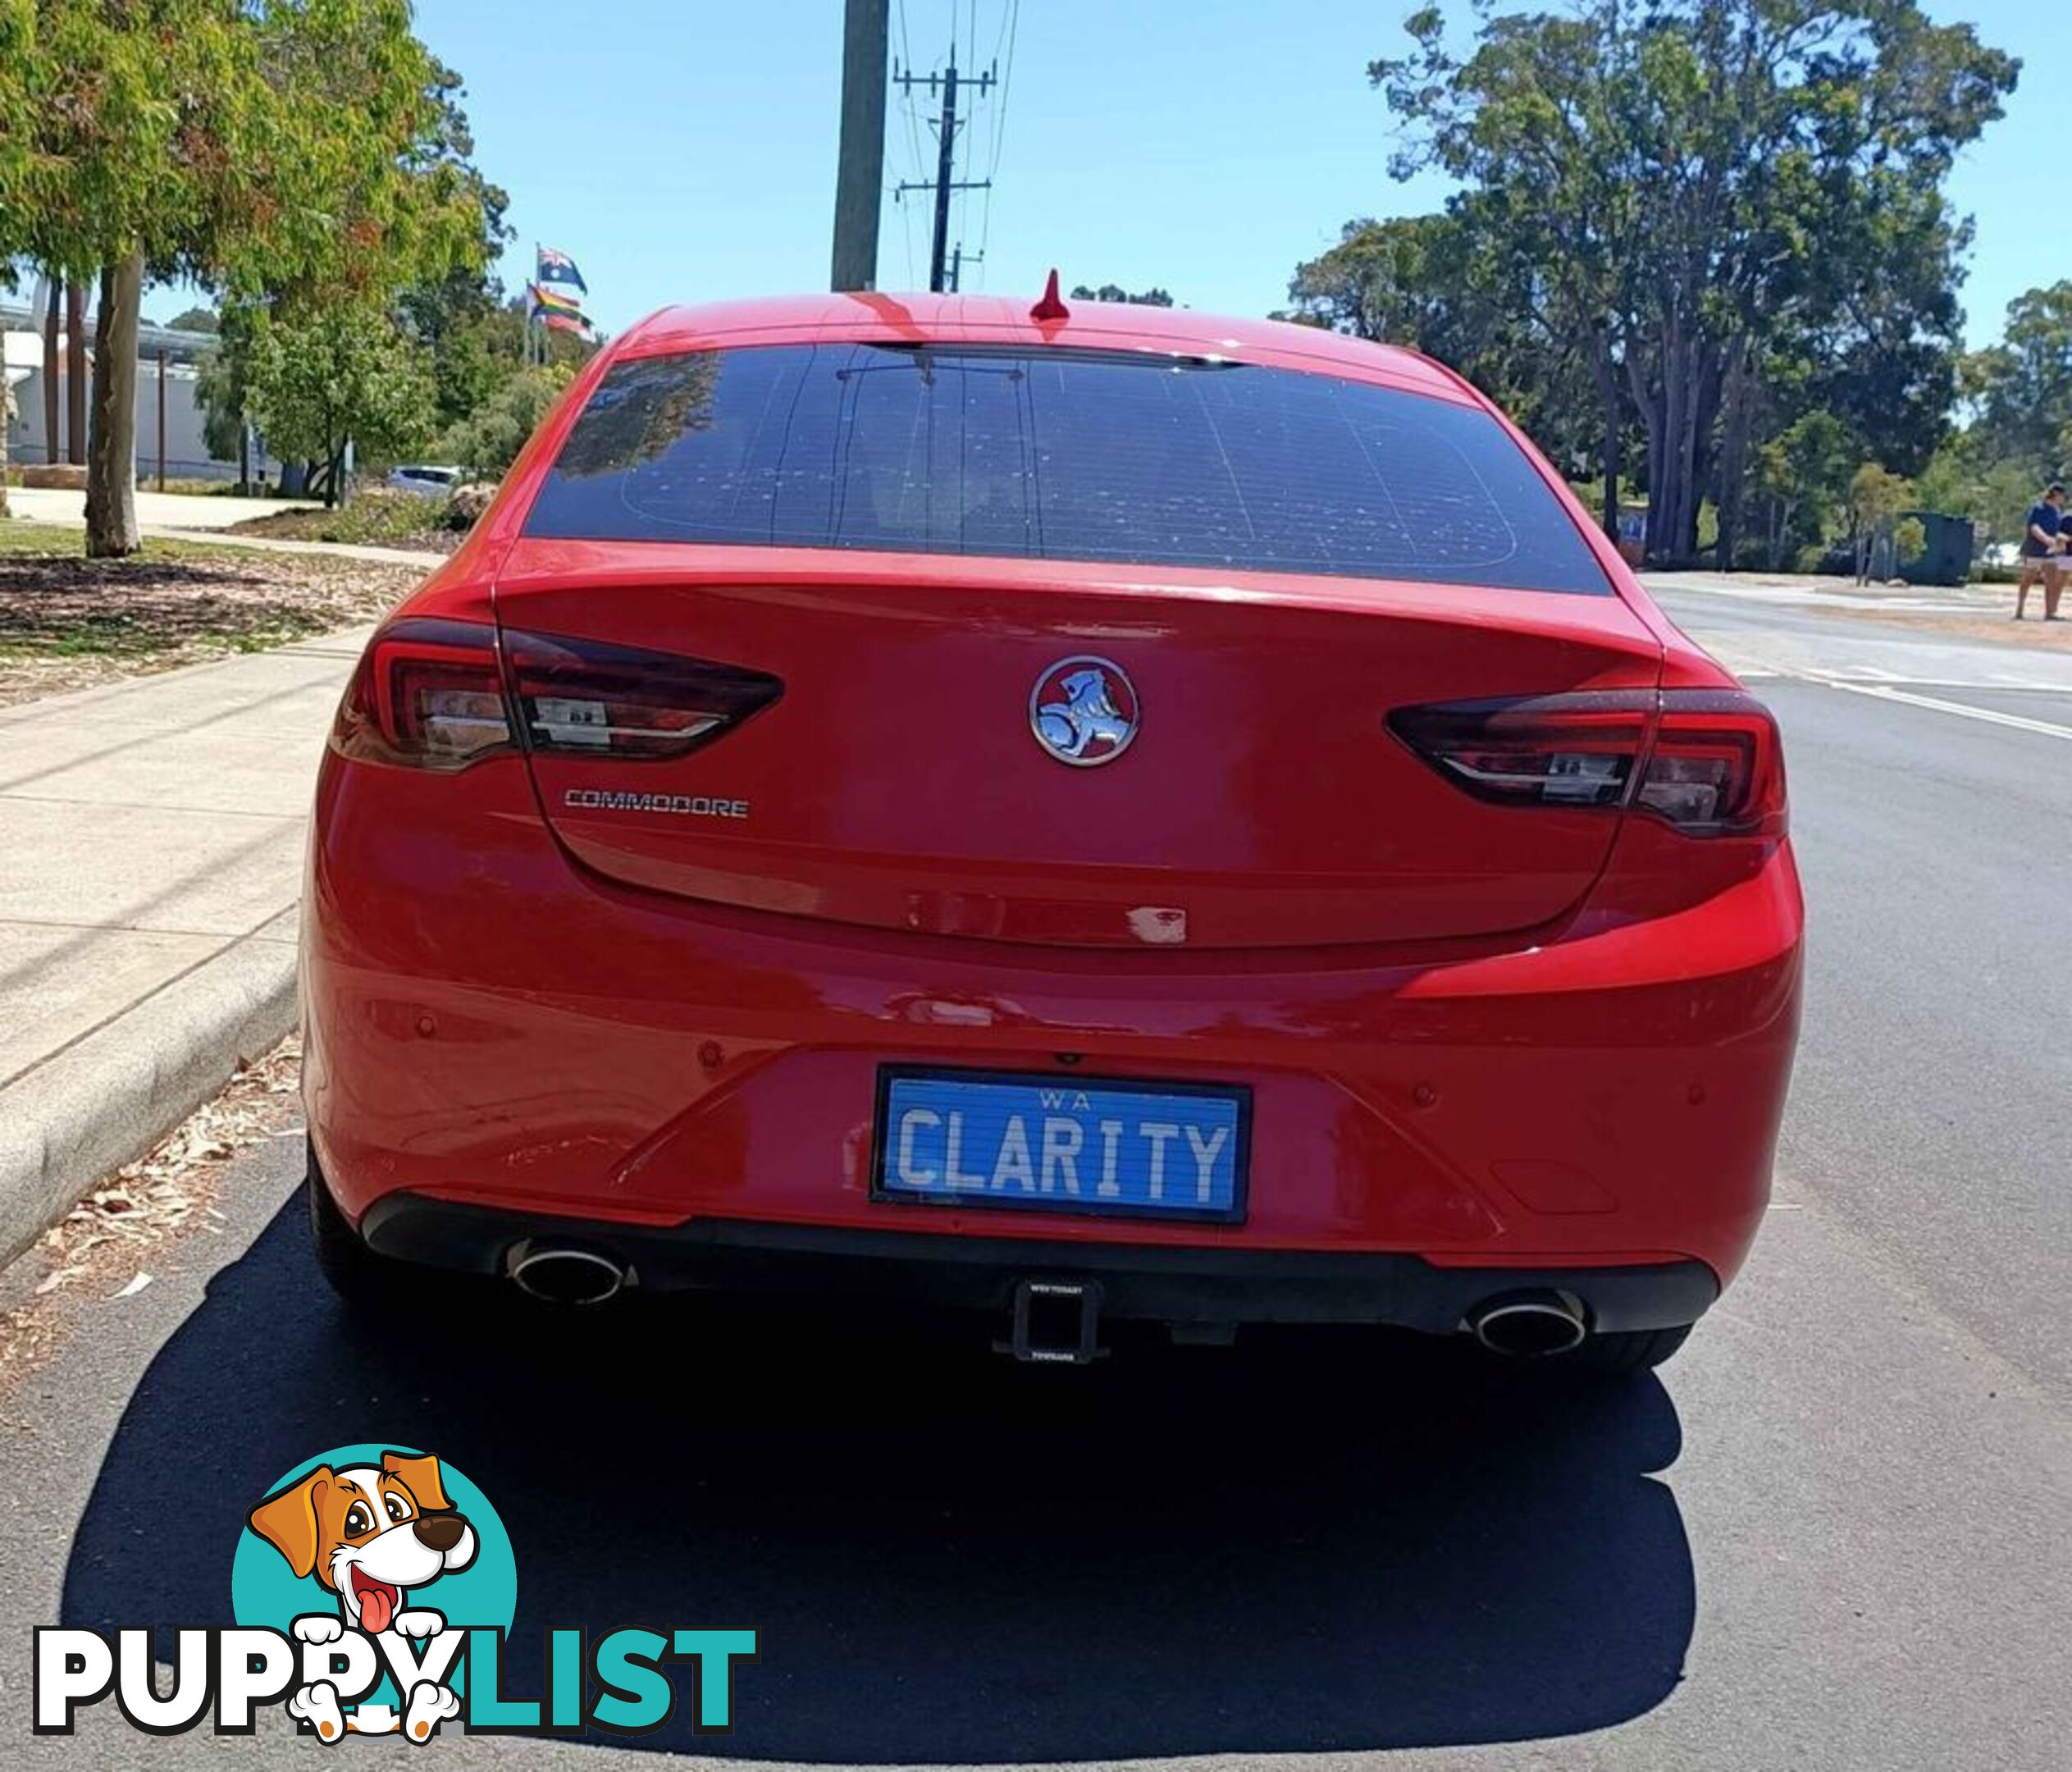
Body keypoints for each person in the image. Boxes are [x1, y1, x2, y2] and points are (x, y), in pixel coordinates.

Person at [2015, 483, 2067, 621]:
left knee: (2052, 581)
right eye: (2062, 495)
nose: (2064, 498)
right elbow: (2034, 527)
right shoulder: (2038, 508)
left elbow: (2056, 529)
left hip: (2052, 552)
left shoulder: (2057, 511)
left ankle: (2049, 613)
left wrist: (2060, 538)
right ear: (2056, 494)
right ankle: (2019, 609)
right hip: (2034, 550)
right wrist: (2046, 539)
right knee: (2028, 579)